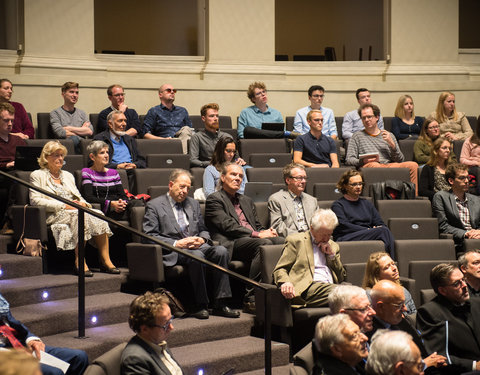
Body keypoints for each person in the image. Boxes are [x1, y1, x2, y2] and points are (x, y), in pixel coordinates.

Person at [143, 169, 239, 319]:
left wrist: (202, 239)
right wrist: (177, 243)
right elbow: (149, 236)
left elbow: (203, 229)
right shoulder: (155, 206)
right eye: (182, 187)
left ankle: (221, 303)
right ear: (170, 185)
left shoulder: (193, 203)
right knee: (197, 255)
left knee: (221, 250)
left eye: (188, 188)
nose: (185, 191)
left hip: (197, 245)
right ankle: (200, 304)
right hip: (174, 250)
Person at [29, 141, 118, 276]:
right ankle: (79, 261)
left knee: (97, 213)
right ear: (46, 157)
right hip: (54, 213)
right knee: (78, 215)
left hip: (75, 210)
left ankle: (105, 260)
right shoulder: (37, 175)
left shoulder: (67, 175)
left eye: (62, 155)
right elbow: (35, 200)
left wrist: (84, 204)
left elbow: (78, 196)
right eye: (56, 155)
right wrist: (65, 205)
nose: (60, 158)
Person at [205, 162, 284, 311]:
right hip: (232, 242)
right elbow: (227, 226)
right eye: (233, 174)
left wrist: (268, 231)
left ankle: (276, 291)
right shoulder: (214, 199)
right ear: (222, 177)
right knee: (265, 244)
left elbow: (256, 226)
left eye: (240, 176)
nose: (238, 178)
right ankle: (250, 297)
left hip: (251, 239)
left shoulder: (246, 200)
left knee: (281, 241)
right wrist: (259, 234)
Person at [0, 292, 88, 375]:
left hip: (16, 344)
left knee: (79, 357)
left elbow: (11, 322)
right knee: (54, 372)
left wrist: (31, 339)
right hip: (4, 354)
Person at [273, 208, 346, 307]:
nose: (326, 239)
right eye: (323, 235)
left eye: (329, 234)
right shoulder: (296, 241)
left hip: (331, 286)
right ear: (312, 229)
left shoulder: (333, 246)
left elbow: (341, 277)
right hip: (308, 287)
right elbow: (280, 269)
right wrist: (285, 282)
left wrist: (331, 255)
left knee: (353, 293)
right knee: (346, 293)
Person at [368, 280, 447, 372]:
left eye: (404, 303)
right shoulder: (369, 333)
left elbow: (423, 351)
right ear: (381, 307)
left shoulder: (400, 321)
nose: (405, 309)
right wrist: (423, 364)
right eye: (399, 305)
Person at [416, 263, 480, 374]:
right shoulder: (430, 312)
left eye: (463, 280)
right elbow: (438, 356)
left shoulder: (476, 302)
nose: (464, 285)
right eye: (457, 284)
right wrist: (474, 365)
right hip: (461, 371)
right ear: (442, 291)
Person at [345, 103, 418, 194]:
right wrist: (362, 161)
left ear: (377, 117)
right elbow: (349, 160)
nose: (366, 120)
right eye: (364, 118)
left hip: (388, 165)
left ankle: (413, 197)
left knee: (413, 165)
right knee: (375, 165)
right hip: (369, 166)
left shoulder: (388, 135)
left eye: (369, 117)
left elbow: (400, 160)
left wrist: (392, 145)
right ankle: (381, 195)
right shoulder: (357, 136)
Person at [331, 170, 395, 257]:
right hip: (347, 236)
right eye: (354, 184)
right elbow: (344, 226)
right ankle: (392, 260)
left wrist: (371, 230)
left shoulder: (367, 203)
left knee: (384, 229)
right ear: (345, 186)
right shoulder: (338, 205)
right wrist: (368, 230)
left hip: (367, 233)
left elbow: (380, 223)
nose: (358, 187)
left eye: (360, 184)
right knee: (383, 231)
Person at [121, 292, 183, 375]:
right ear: (145, 329)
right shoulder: (135, 360)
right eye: (165, 325)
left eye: (171, 319)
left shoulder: (158, 342)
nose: (171, 327)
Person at [81, 140, 143, 221]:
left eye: (107, 152)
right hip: (102, 209)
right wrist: (111, 204)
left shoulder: (114, 173)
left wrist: (121, 204)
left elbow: (123, 195)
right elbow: (88, 197)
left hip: (118, 208)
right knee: (134, 213)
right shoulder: (87, 172)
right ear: (92, 157)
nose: (106, 155)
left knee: (138, 203)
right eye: (102, 153)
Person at [432, 163, 480, 253]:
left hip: (477, 240)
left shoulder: (476, 199)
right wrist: (466, 234)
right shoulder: (441, 197)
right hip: (459, 243)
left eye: (467, 177)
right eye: (462, 178)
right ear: (451, 181)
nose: (466, 181)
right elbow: (443, 226)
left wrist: (478, 232)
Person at [267, 163, 318, 238]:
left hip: (313, 238)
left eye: (305, 178)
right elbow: (277, 227)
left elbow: (318, 223)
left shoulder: (312, 200)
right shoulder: (276, 199)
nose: (303, 181)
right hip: (292, 239)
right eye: (299, 178)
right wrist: (303, 237)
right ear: (288, 180)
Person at [143, 83, 193, 154]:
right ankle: (184, 159)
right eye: (168, 90)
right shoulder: (154, 111)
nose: (172, 92)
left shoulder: (182, 110)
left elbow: (190, 130)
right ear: (160, 95)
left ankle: (183, 157)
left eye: (174, 91)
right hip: (164, 143)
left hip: (182, 139)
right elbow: (145, 134)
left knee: (186, 130)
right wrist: (163, 140)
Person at [0, 102, 26, 231]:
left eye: (12, 120)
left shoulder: (18, 141)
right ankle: (8, 220)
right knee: (18, 177)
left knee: (24, 176)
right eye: (6, 120)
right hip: (2, 173)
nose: (10, 124)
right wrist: (6, 164)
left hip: (17, 173)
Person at [50, 82, 93, 153]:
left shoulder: (82, 113)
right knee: (74, 139)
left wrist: (68, 128)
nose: (75, 95)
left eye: (77, 93)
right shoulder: (55, 113)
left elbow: (90, 131)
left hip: (82, 147)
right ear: (63, 94)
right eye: (71, 92)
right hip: (64, 147)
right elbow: (60, 132)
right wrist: (82, 130)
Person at [189, 103, 232, 168]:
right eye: (212, 116)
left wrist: (239, 160)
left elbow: (236, 157)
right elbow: (193, 160)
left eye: (217, 116)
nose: (215, 119)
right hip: (209, 168)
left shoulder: (227, 137)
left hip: (227, 167)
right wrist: (211, 164)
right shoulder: (197, 137)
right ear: (203, 118)